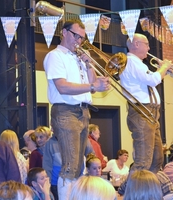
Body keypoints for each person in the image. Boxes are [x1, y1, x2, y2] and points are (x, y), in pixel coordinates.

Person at [43, 18, 110, 198]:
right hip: (65, 111)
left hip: (82, 111)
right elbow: (63, 87)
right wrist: (94, 86)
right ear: (64, 32)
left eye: (82, 38)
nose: (79, 41)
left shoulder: (78, 58)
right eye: (76, 36)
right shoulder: (55, 56)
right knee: (71, 164)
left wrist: (89, 64)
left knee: (79, 165)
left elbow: (91, 82)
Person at [119, 33, 172, 173]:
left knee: (157, 158)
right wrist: (164, 67)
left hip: (151, 113)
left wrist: (163, 70)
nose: (149, 48)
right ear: (136, 44)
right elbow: (153, 80)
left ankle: (149, 190)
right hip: (142, 112)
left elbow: (152, 80)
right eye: (147, 44)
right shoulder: (131, 62)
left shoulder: (139, 65)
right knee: (143, 161)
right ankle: (132, 192)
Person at [43, 134, 62, 200]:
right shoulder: (50, 143)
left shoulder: (74, 139)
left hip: (73, 181)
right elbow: (47, 166)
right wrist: (48, 183)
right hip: (55, 182)